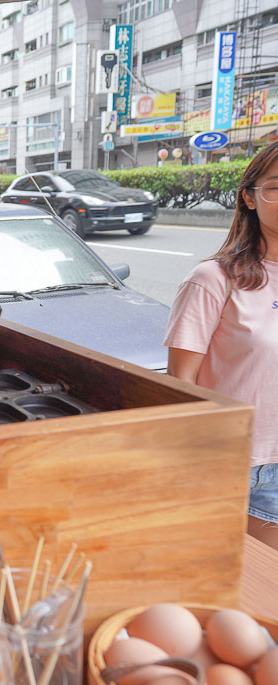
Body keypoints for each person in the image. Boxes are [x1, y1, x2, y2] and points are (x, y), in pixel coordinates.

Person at [164, 140, 278, 552]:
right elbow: (181, 384)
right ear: (249, 197)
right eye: (276, 187)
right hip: (230, 460)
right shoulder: (213, 279)